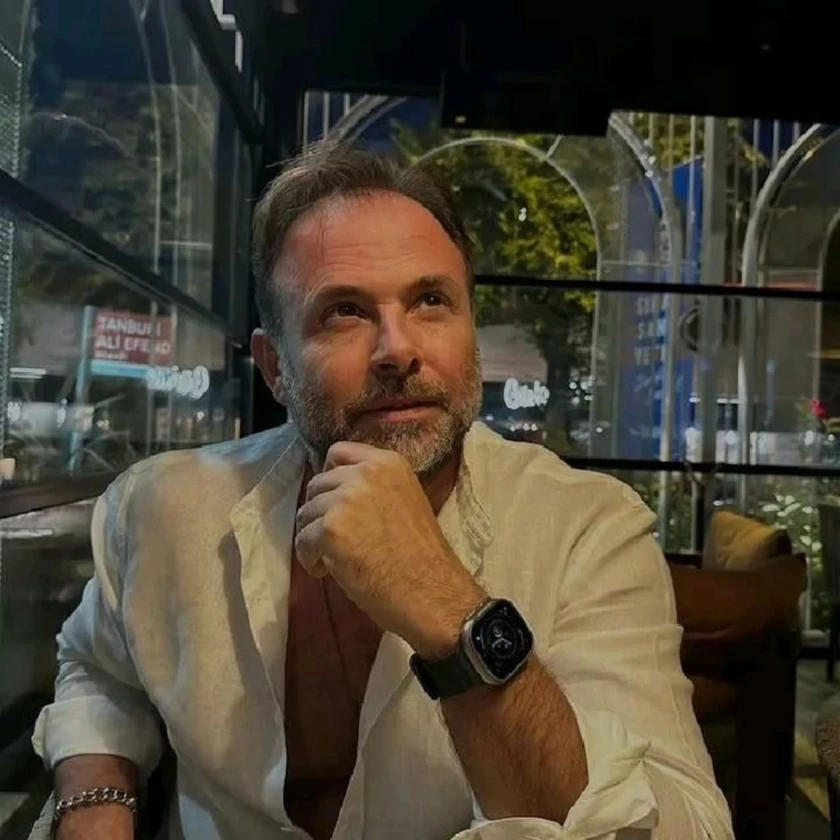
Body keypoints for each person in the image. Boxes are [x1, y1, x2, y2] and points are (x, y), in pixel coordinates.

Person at [33, 141, 733, 840]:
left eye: (431, 301)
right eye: (344, 311)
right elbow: (99, 672)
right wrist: (95, 801)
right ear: (274, 368)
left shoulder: (589, 529)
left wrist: (449, 609)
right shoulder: (161, 507)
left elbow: (688, 827)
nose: (397, 350)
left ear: (469, 331)